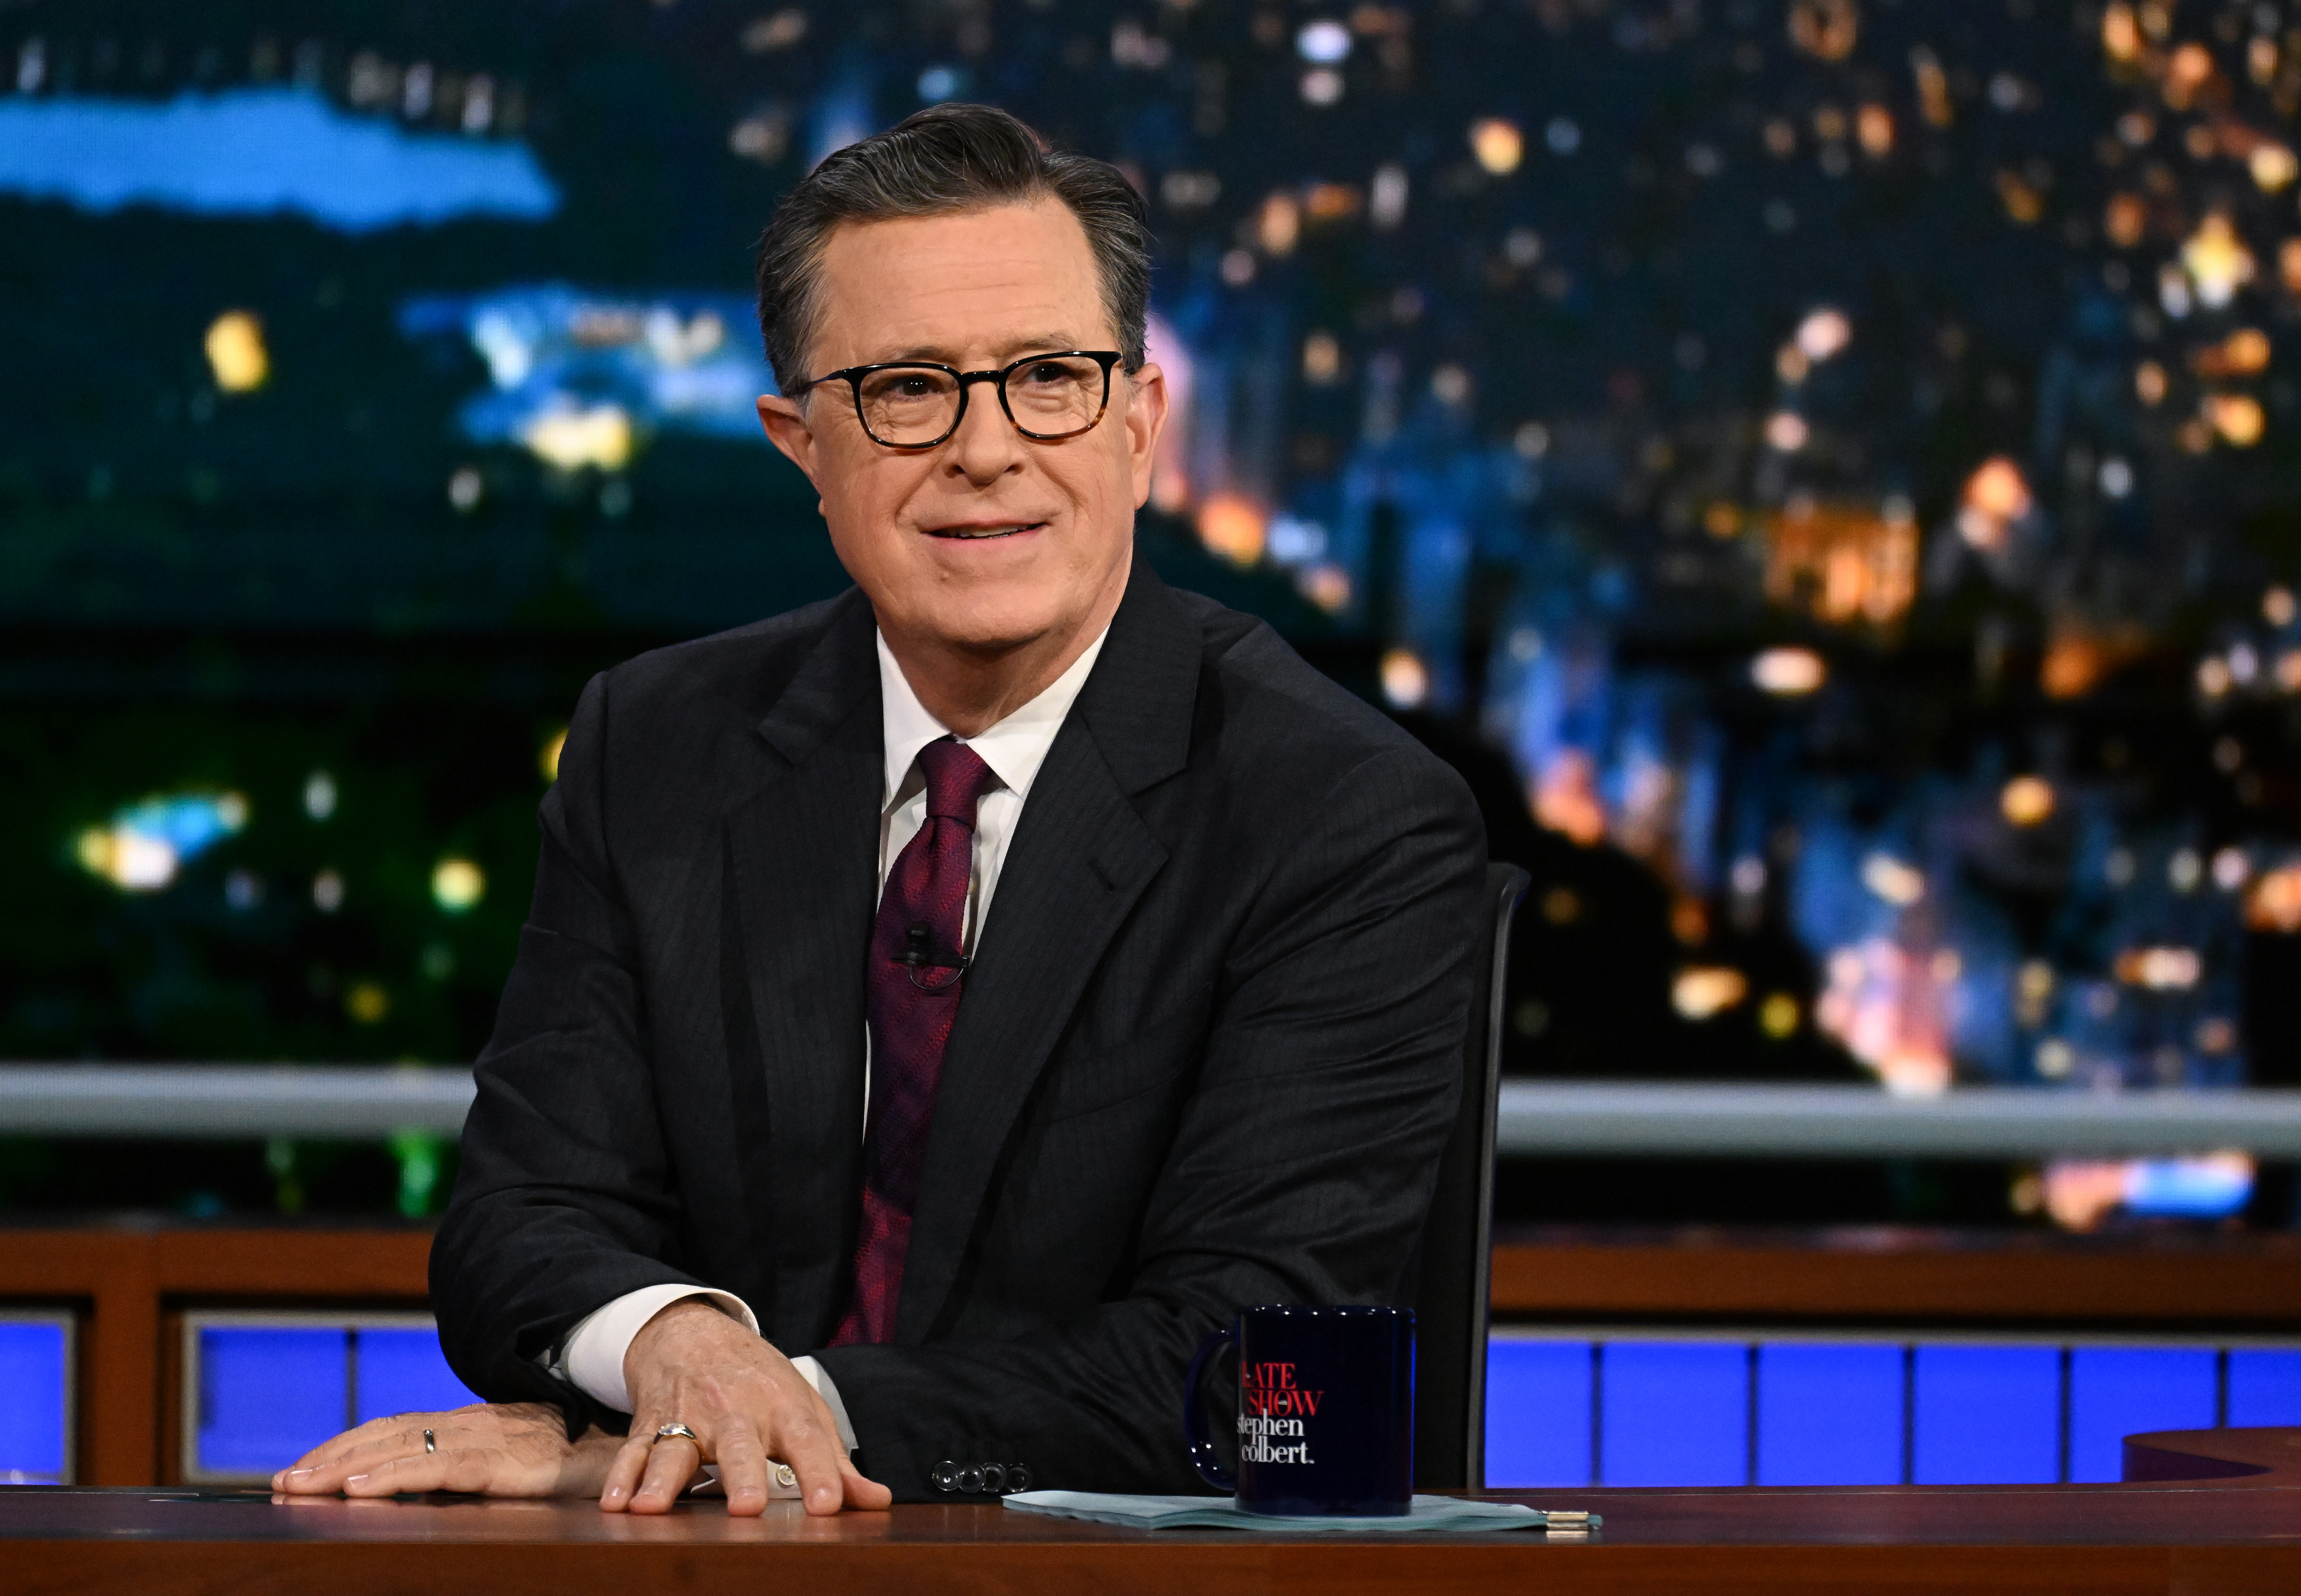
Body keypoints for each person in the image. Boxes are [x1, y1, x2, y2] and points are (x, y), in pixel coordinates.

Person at [275, 104, 1484, 1517]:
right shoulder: (658, 745)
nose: (984, 449)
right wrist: (674, 1345)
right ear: (799, 442)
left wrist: (739, 1429)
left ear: (1142, 424)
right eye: (907, 389)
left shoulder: (1340, 816)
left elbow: (1241, 1363)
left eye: (1049, 378)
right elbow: (520, 1220)